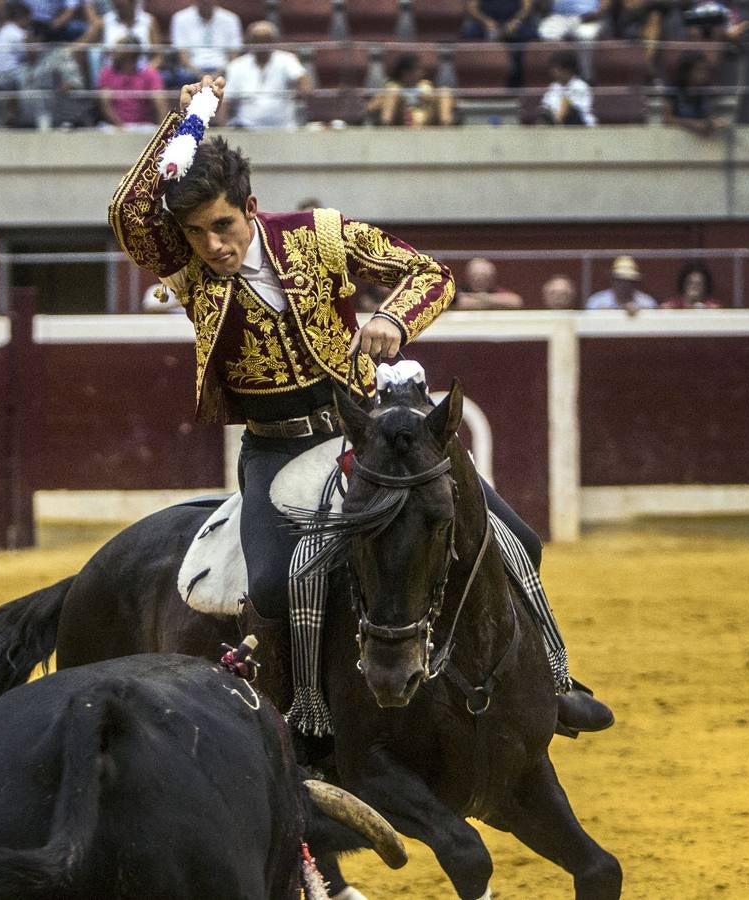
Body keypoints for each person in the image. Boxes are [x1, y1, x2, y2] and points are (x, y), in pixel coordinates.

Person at [108, 76, 610, 739]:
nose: (213, 246)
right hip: (276, 444)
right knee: (269, 588)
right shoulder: (189, 267)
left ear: (251, 208)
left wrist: (397, 322)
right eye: (197, 233)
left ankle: (553, 676)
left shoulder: (319, 236)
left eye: (223, 226)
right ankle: (308, 714)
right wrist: (185, 123)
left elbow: (431, 274)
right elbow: (128, 211)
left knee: (518, 538)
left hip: (365, 431)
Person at [220, 20, 309, 129]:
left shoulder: (287, 60)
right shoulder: (236, 65)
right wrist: (222, 129)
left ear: (274, 41)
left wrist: (301, 89)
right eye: (257, 40)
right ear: (250, 42)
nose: (262, 44)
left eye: (266, 39)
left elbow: (304, 81)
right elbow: (226, 100)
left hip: (283, 128)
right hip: (247, 130)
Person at [461, 0, 538, 87]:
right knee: (469, 33)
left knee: (530, 35)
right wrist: (486, 21)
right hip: (486, 22)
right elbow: (472, 7)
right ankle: (475, 78)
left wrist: (516, 22)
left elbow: (527, 7)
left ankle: (518, 80)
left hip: (514, 22)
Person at [367, 51, 453, 127]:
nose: (421, 72)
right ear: (406, 72)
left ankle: (446, 126)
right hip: (401, 118)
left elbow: (434, 99)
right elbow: (371, 107)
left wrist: (426, 98)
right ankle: (385, 126)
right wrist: (395, 99)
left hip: (425, 117)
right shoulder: (392, 86)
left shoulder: (425, 85)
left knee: (444, 91)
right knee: (391, 91)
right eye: (418, 69)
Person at [97, 35, 164, 127]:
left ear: (129, 53)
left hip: (144, 127)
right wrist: (122, 127)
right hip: (115, 128)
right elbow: (105, 105)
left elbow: (160, 104)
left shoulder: (150, 74)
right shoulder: (107, 73)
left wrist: (162, 131)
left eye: (118, 49)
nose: (113, 52)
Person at [169, 0, 241, 78]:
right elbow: (182, 54)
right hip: (192, 69)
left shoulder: (230, 19)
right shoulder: (180, 18)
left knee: (237, 73)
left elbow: (234, 54)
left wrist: (220, 73)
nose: (206, 2)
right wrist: (199, 75)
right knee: (178, 76)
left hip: (222, 67)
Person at [667, 49, 728, 137]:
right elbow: (667, 119)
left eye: (705, 70)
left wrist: (714, 122)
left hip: (700, 143)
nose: (704, 74)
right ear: (686, 72)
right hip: (677, 138)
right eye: (699, 70)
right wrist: (693, 124)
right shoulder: (673, 90)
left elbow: (706, 117)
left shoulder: (705, 90)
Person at [538, 49, 595, 125]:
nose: (552, 71)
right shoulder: (554, 87)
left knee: (570, 111)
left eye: (556, 68)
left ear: (567, 69)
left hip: (580, 125)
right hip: (557, 125)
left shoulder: (580, 86)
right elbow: (546, 108)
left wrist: (557, 118)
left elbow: (574, 111)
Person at [584, 255, 658, 311]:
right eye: (620, 280)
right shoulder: (597, 301)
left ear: (635, 282)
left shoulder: (646, 303)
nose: (624, 285)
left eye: (629, 281)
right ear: (612, 280)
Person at [455, 257, 524, 309]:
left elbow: (516, 302)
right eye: (475, 276)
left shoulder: (496, 291)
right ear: (467, 276)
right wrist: (494, 302)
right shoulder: (459, 291)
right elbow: (460, 303)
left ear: (492, 278)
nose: (479, 280)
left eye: (484, 276)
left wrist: (479, 296)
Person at [537, 0, 602, 42]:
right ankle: (559, 62)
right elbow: (543, 5)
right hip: (559, 17)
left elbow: (603, 7)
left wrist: (597, 14)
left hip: (587, 19)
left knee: (586, 36)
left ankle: (584, 64)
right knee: (547, 32)